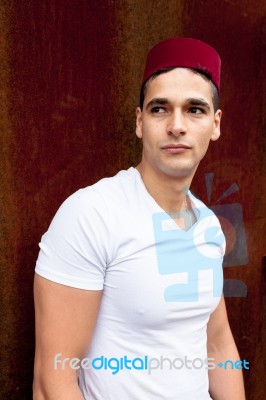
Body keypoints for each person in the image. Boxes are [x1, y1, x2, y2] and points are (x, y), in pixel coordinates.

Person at [33, 38, 246, 399]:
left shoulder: (209, 225)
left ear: (215, 123)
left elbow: (217, 345)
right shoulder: (93, 214)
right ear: (139, 122)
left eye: (194, 110)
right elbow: (53, 379)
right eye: (160, 109)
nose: (176, 125)